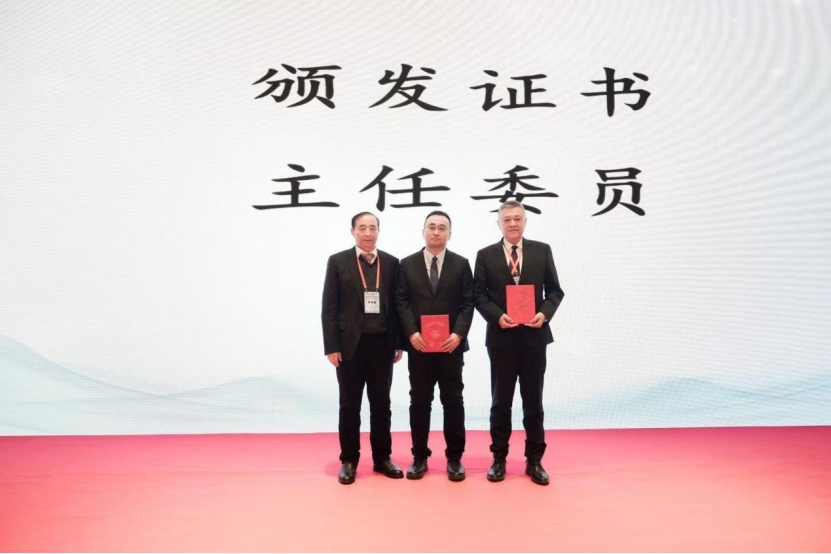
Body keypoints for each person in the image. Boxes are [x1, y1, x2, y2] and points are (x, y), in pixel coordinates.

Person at [473, 201, 565, 486]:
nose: (512, 224)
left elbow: (555, 291)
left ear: (525, 221)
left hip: (534, 338)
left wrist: (544, 314)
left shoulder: (542, 250)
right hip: (501, 339)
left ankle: (534, 460)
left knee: (533, 402)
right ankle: (499, 458)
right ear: (498, 224)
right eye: (507, 219)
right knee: (500, 402)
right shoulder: (485, 255)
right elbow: (478, 295)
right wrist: (497, 317)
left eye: (517, 219)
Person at [322, 212, 404, 485]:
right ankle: (349, 460)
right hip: (349, 347)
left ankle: (382, 458)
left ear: (379, 231)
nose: (368, 233)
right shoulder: (338, 261)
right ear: (352, 231)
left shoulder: (391, 263)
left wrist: (398, 342)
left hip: (382, 345)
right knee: (349, 405)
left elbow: (398, 307)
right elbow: (329, 308)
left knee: (382, 405)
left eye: (372, 228)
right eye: (362, 228)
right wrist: (332, 346)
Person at [396, 211, 474, 481]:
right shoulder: (407, 264)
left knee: (453, 400)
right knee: (419, 401)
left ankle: (455, 458)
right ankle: (419, 456)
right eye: (432, 227)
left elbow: (468, 302)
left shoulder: (461, 264)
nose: (436, 232)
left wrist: (459, 334)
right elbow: (401, 301)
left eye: (442, 228)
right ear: (423, 231)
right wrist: (411, 333)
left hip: (451, 346)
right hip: (419, 346)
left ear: (450, 234)